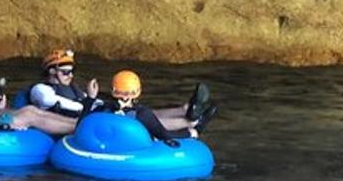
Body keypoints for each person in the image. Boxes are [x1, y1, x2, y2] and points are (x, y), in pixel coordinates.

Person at [30, 47, 213, 129]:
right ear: (51, 71)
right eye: (65, 72)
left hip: (91, 113)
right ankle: (191, 122)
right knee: (136, 121)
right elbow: (57, 103)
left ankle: (187, 110)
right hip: (81, 121)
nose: (70, 75)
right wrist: (94, 104)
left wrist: (102, 103)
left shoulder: (73, 88)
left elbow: (84, 102)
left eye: (72, 71)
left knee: (142, 112)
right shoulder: (40, 90)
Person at [80, 70, 216, 146]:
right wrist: (190, 134)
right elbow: (165, 135)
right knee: (160, 132)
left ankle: (190, 115)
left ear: (114, 91)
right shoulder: (142, 114)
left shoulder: (105, 109)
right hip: (136, 145)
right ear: (137, 92)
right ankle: (194, 130)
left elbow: (81, 127)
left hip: (113, 147)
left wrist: (90, 98)